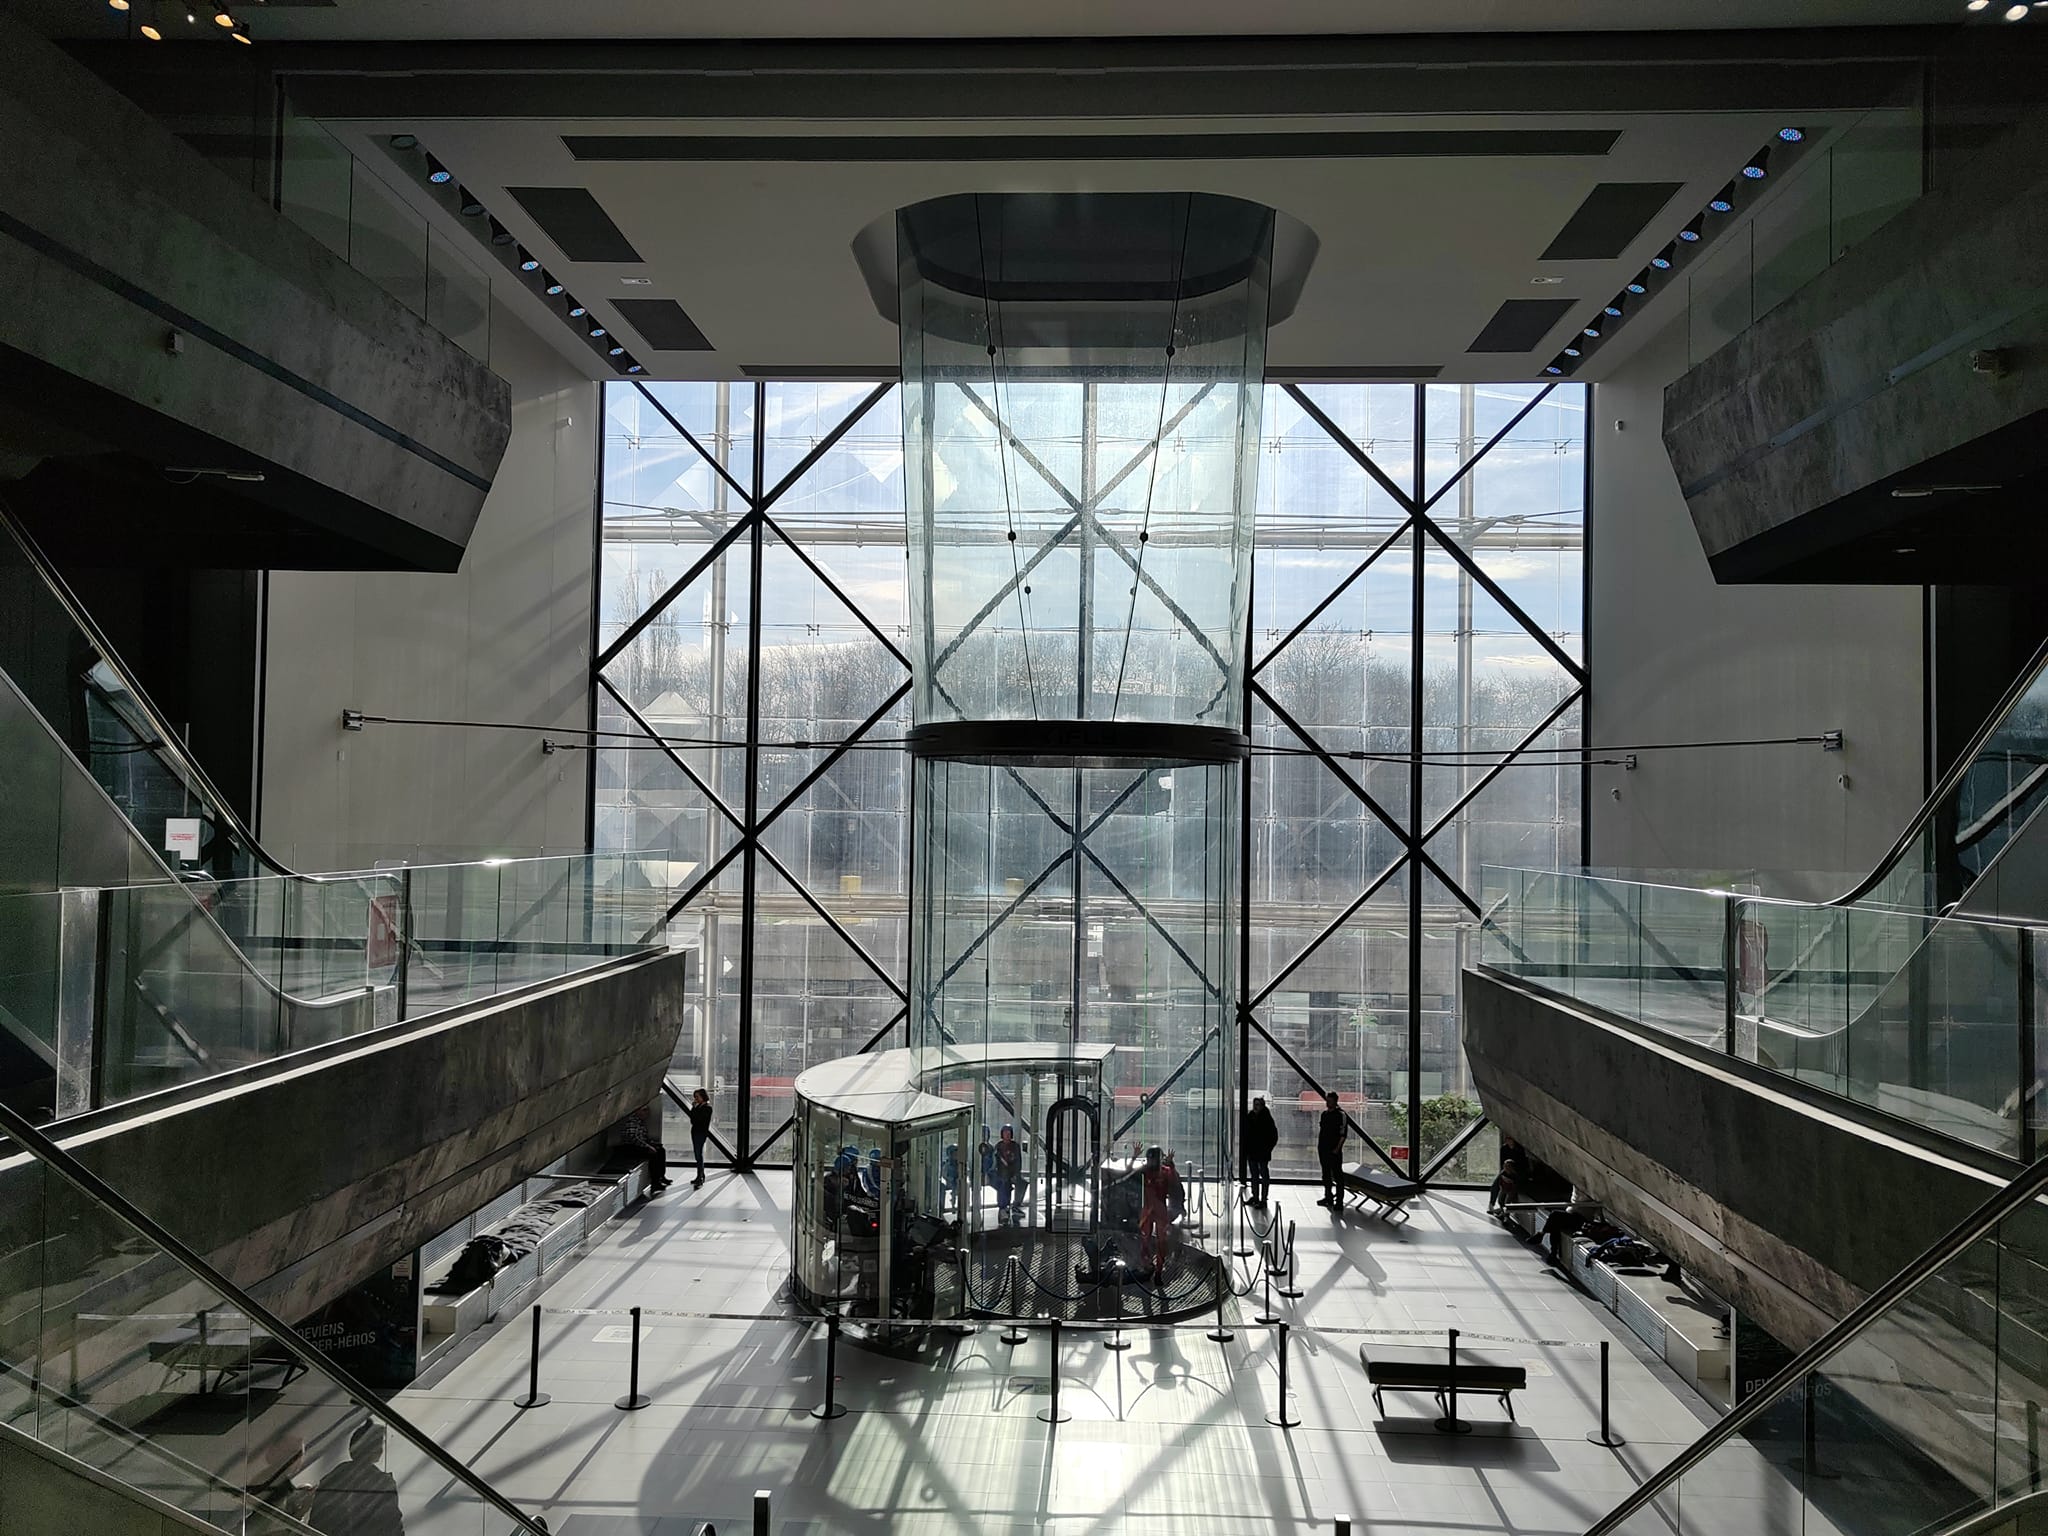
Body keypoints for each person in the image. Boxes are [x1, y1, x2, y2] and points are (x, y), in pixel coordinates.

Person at [310, 1420, 404, 1536]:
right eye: (380, 1444)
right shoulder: (382, 1482)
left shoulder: (336, 1475)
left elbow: (318, 1517)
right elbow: (392, 1522)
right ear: (372, 1448)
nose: (381, 1449)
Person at [1137, 1146, 1176, 1280]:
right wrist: (1134, 1157)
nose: (1152, 1161)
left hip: (1160, 1211)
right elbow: (1128, 1172)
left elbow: (1174, 1181)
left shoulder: (1166, 1171)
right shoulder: (1145, 1170)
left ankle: (1158, 1270)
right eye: (1150, 1159)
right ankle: (1147, 1266)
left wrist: (1171, 1163)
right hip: (1147, 1210)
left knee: (1161, 1241)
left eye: (1154, 1159)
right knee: (1144, 1239)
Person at [617, 1107, 670, 1195]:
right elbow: (633, 1138)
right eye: (644, 1111)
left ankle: (661, 1176)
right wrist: (648, 1146)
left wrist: (652, 1144)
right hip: (631, 1147)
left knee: (661, 1150)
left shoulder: (640, 1122)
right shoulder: (632, 1122)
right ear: (638, 1111)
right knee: (654, 1155)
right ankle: (655, 1182)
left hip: (639, 1145)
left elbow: (643, 1137)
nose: (647, 1113)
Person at [1242, 1096, 1279, 1206]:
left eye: (1257, 1105)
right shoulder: (1251, 1116)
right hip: (1253, 1151)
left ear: (1262, 1106)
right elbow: (1246, 1134)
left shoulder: (1267, 1119)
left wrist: (1267, 1149)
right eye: (1254, 1104)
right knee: (1254, 1175)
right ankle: (1255, 1196)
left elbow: (1273, 1136)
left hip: (1262, 1152)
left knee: (1263, 1174)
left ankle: (1263, 1198)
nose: (1255, 1107)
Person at [1315, 1091, 1346, 1208]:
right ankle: (1328, 1196)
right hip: (1323, 1148)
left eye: (1330, 1101)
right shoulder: (1324, 1114)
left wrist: (1337, 1149)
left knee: (1337, 1175)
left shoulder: (1341, 1115)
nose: (1328, 1103)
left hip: (1334, 1150)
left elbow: (1343, 1134)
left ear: (1335, 1101)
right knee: (1326, 1174)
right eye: (1327, 1101)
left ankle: (1339, 1201)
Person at [992, 1124, 1021, 1224]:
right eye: (1005, 1133)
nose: (1007, 1135)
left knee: (1011, 1187)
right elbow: (994, 1161)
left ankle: (1013, 1206)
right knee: (1002, 1187)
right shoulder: (998, 1146)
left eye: (1009, 1133)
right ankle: (1002, 1208)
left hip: (1011, 1173)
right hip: (1000, 1174)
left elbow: (1018, 1161)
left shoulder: (1015, 1146)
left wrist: (1016, 1174)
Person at [686, 1087, 714, 1188]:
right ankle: (700, 1174)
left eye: (697, 1097)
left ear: (703, 1097)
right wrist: (694, 1108)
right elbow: (693, 1120)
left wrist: (694, 1110)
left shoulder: (707, 1108)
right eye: (695, 1097)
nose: (695, 1099)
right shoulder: (697, 1108)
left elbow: (698, 1120)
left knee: (699, 1154)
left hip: (701, 1133)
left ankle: (700, 1176)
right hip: (695, 1132)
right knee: (697, 1154)